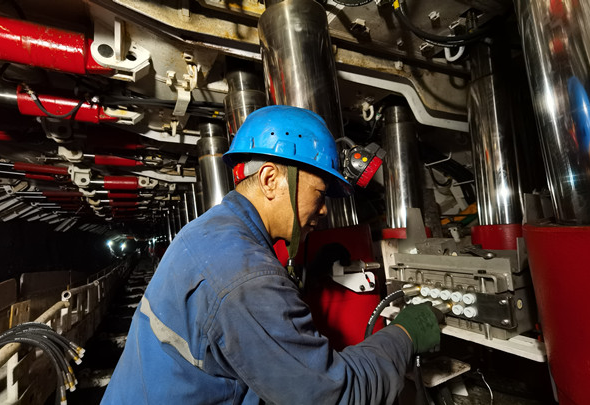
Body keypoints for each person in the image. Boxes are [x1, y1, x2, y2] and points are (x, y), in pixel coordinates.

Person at [101, 105, 440, 404]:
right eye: (320, 194)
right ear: (270, 179)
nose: (323, 210)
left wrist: (305, 279)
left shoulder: (209, 231)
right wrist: (405, 335)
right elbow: (337, 395)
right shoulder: (246, 278)